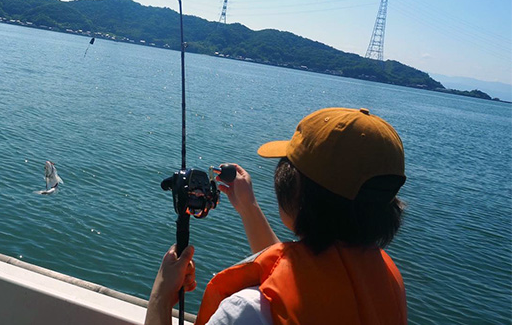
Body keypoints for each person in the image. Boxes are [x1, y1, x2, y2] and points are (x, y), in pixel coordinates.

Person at [145, 107, 408, 325]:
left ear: (295, 192)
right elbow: (302, 277)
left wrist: (161, 295)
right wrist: (248, 207)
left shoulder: (248, 312)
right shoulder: (386, 283)